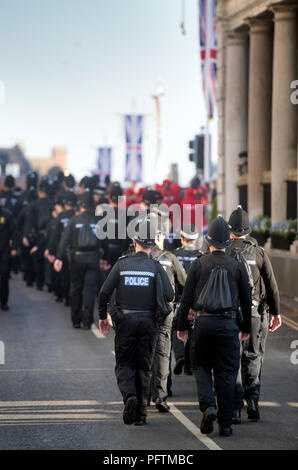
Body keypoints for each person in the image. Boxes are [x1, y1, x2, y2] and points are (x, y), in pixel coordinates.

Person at [177, 216, 252, 437]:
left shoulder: (199, 264)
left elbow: (186, 298)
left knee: (201, 367)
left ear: (208, 241)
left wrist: (182, 326)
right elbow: (246, 302)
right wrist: (245, 326)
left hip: (203, 323)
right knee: (227, 373)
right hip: (228, 324)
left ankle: (208, 406)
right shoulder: (237, 266)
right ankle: (226, 424)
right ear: (228, 241)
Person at [98, 219, 174, 426]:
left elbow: (104, 292)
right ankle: (141, 414)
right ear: (152, 245)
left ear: (134, 241)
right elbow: (169, 294)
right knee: (144, 367)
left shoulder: (122, 264)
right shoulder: (155, 267)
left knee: (124, 363)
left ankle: (129, 396)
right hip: (149, 323)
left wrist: (102, 316)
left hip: (125, 321)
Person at [226, 206, 281, 423]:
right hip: (255, 313)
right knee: (253, 355)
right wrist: (276, 313)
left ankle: (236, 407)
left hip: (230, 314)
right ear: (248, 231)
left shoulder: (224, 251)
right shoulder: (258, 252)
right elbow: (272, 285)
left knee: (232, 359)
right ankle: (254, 401)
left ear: (230, 230)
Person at [54, 191, 108, 329]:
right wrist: (105, 258)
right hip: (93, 258)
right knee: (89, 290)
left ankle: (76, 320)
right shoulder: (98, 221)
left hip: (77, 258)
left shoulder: (74, 220)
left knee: (76, 288)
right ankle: (87, 321)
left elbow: (64, 240)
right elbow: (104, 242)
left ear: (80, 205)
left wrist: (59, 258)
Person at [150, 229, 187, 411]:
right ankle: (161, 394)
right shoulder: (170, 257)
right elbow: (184, 283)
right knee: (163, 352)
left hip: (145, 311)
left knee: (148, 351)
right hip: (166, 310)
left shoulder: (138, 257)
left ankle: (150, 393)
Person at [173, 224, 204, 376]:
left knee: (177, 328)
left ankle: (180, 356)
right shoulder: (201, 256)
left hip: (178, 298)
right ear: (196, 238)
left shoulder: (174, 255)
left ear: (182, 238)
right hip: (196, 300)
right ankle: (189, 365)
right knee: (193, 331)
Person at [0, 197, 17, 310]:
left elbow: (14, 232)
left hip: (5, 250)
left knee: (4, 276)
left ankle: (4, 302)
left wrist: (14, 247)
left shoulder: (7, 214)